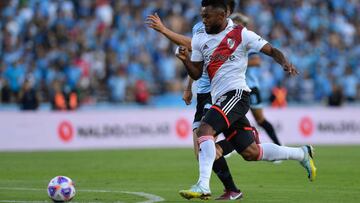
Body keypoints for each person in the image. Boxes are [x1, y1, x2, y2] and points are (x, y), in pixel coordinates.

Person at [175, 0, 316, 200]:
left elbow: (271, 50)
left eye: (207, 16)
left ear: (223, 15)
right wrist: (185, 60)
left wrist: (284, 62)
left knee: (204, 130)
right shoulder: (199, 38)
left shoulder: (241, 34)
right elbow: (197, 73)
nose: (203, 20)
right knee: (251, 152)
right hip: (220, 99)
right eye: (202, 15)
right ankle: (301, 153)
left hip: (237, 94)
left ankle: (202, 186)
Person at [146, 1, 243, 200]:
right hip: (202, 91)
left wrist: (164, 30)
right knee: (201, 153)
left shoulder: (225, 30)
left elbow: (190, 45)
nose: (205, 16)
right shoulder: (200, 27)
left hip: (214, 92)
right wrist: (189, 87)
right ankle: (231, 188)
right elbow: (198, 57)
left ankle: (236, 150)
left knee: (204, 146)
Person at [230, 13, 282, 146]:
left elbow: (256, 61)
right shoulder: (229, 43)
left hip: (251, 87)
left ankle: (278, 146)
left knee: (260, 119)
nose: (233, 26)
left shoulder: (247, 41)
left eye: (237, 23)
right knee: (227, 117)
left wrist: (234, 63)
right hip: (235, 87)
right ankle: (223, 147)